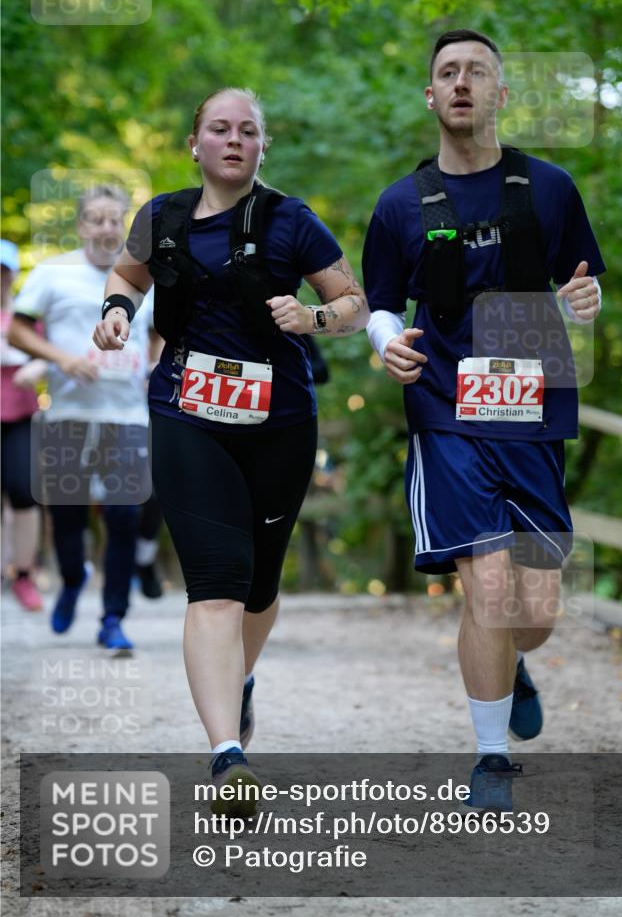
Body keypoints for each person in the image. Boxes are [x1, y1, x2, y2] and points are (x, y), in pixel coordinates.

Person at [92, 87, 369, 805]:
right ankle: (227, 757)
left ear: (261, 146)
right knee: (215, 579)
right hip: (186, 411)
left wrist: (311, 315)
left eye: (248, 130)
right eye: (219, 128)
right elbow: (127, 272)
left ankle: (237, 679)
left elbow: (353, 304)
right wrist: (117, 314)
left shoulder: (290, 221)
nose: (233, 139)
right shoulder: (163, 217)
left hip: (278, 421)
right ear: (196, 143)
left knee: (258, 586)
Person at [363, 29, 604, 811]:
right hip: (445, 412)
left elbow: (581, 284)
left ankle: (516, 661)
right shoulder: (401, 203)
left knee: (530, 613)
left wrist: (585, 302)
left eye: (477, 72)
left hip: (533, 411)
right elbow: (377, 304)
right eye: (446, 73)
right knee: (486, 588)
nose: (461, 82)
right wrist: (384, 343)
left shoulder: (550, 188)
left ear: (501, 93)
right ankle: (491, 758)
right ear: (430, 96)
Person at [9, 186, 153, 650]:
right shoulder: (55, 273)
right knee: (68, 519)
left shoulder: (145, 277)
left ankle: (113, 617)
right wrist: (62, 360)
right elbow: (16, 327)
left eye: (116, 219)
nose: (107, 227)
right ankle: (72, 579)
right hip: (69, 415)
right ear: (81, 225)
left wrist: (152, 366)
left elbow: (161, 334)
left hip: (127, 417)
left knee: (124, 515)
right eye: (97, 219)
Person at [1, 239, 44, 611]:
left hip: (20, 416)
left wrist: (35, 367)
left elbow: (51, 354)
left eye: (3, 272)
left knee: (24, 492)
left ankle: (25, 575)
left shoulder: (26, 315)